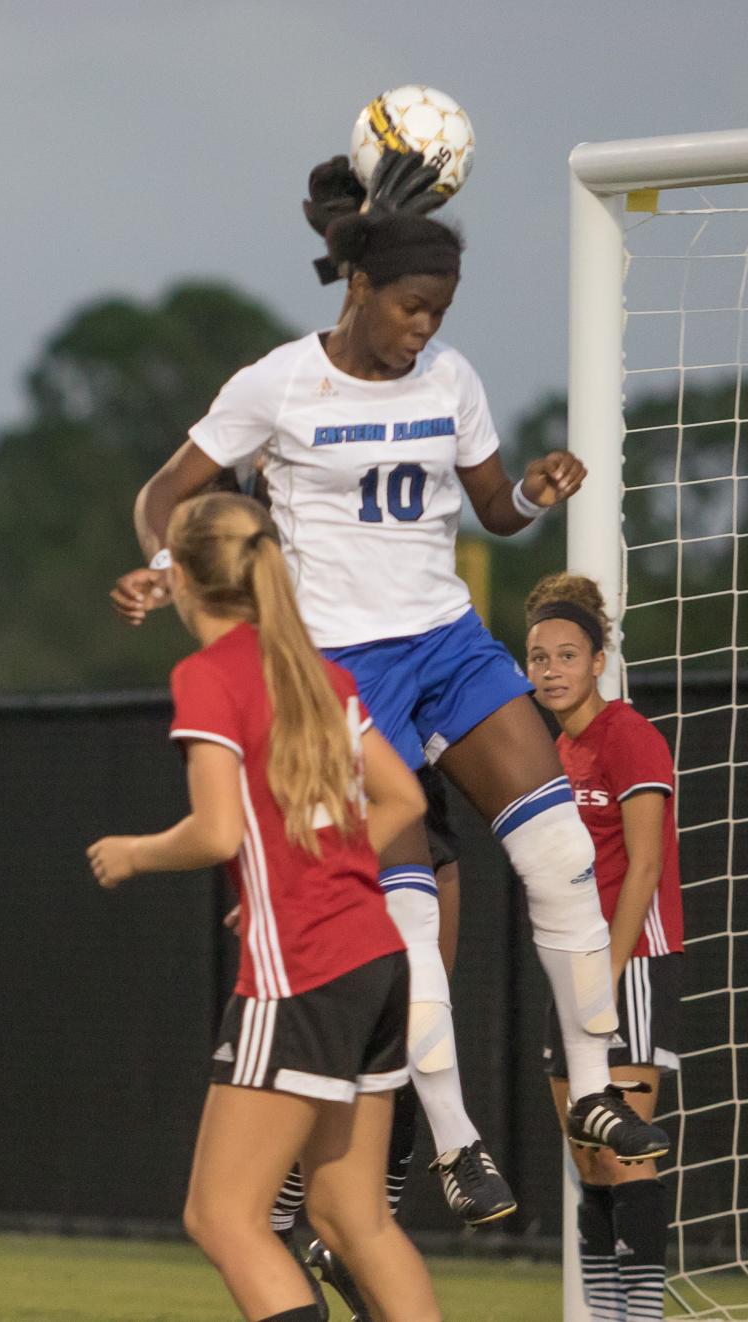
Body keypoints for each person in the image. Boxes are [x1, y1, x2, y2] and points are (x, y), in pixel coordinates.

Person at [109, 185, 670, 1208]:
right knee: (405, 920)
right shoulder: (280, 383)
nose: (426, 327)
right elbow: (166, 489)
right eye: (412, 305)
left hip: (446, 640)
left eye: (441, 311)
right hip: (341, 671)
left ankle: (590, 1088)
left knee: (562, 852)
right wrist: (158, 562)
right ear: (360, 287)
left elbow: (492, 510)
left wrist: (536, 491)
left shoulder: (450, 375)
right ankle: (456, 1139)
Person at [89, 490, 440, 1322]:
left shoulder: (209, 675)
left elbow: (215, 832)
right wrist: (298, 882)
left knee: (222, 1216)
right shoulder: (315, 671)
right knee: (355, 1216)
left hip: (306, 973)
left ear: (183, 579)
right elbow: (403, 802)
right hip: (377, 959)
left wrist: (134, 853)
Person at [525, 573, 685, 1322]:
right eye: (538, 657)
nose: (551, 669)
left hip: (629, 965)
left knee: (626, 1155)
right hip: (577, 968)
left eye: (566, 654)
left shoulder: (630, 735)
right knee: (588, 1157)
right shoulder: (558, 748)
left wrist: (607, 975)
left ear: (598, 661)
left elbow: (646, 865)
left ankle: (639, 1317)